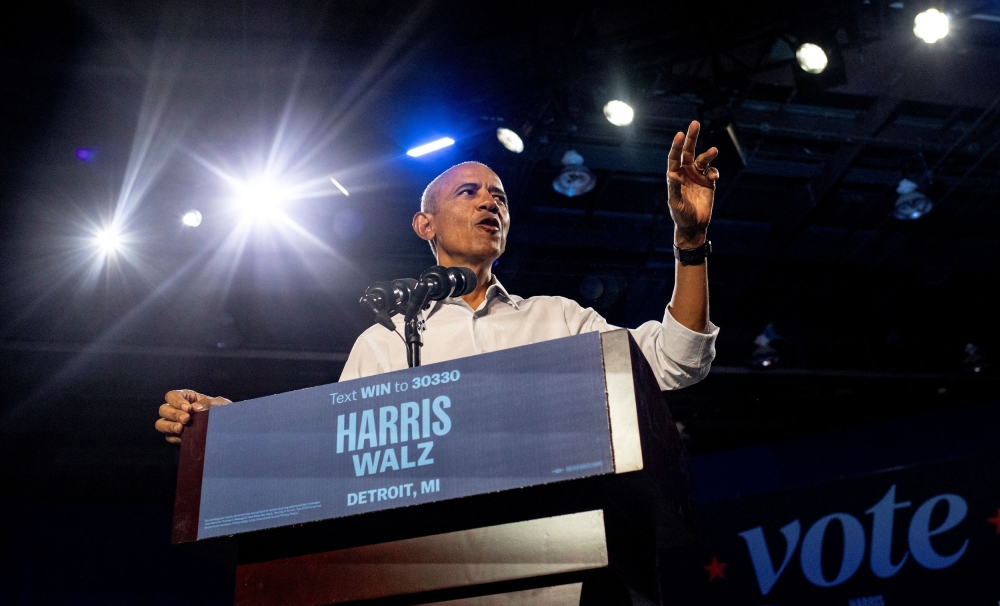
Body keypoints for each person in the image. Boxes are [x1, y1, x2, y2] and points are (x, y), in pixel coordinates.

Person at [155, 121, 721, 444]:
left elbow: (676, 360)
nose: (490, 203)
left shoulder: (559, 320)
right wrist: (226, 425)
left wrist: (689, 242)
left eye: (499, 196)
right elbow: (328, 439)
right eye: (468, 193)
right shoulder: (384, 341)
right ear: (424, 223)